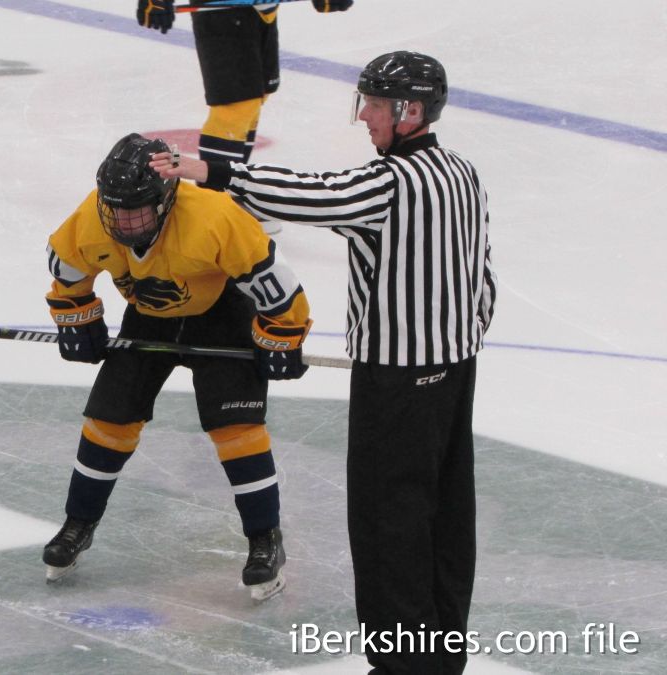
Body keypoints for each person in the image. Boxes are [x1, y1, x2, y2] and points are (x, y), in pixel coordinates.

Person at [153, 52, 497, 673]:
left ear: (410, 111)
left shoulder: (389, 184)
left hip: (396, 382)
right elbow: (484, 277)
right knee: (446, 514)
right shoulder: (462, 173)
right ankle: (443, 658)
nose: (364, 116)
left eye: (375, 104)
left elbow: (310, 194)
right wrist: (452, 345)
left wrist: (208, 169)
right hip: (456, 371)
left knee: (387, 521)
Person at [41, 132, 314, 601]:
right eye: (116, 209)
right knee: (109, 419)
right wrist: (77, 317)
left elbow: (276, 284)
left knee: (237, 430)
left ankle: (265, 539)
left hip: (222, 316)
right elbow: (67, 273)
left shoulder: (214, 217)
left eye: (137, 209)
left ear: (166, 198)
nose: (124, 221)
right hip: (149, 319)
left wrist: (283, 336)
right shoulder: (91, 219)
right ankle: (77, 524)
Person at [136, 0, 352, 177]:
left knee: (256, 96)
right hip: (221, 11)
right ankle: (215, 198)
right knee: (238, 105)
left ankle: (233, 188)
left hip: (262, 11)